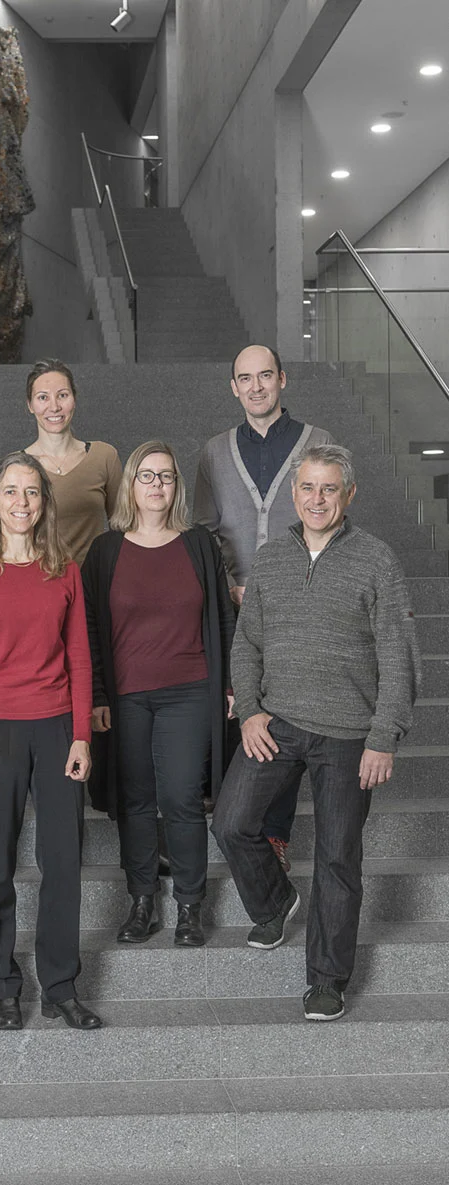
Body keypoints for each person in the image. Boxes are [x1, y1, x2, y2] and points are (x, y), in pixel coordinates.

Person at [212, 445, 420, 1022]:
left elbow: (398, 657)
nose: (317, 499)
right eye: (308, 487)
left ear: (348, 495)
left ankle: (326, 979)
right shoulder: (273, 557)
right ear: (295, 493)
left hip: (350, 736)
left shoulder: (376, 560)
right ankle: (276, 900)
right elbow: (248, 641)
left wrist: (384, 735)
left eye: (330, 489)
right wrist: (250, 710)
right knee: (230, 821)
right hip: (277, 722)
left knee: (337, 860)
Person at [0, 451, 101, 1032]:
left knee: (62, 863)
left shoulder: (63, 568)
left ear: (44, 502)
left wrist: (81, 735)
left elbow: (81, 660)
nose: (21, 503)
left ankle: (61, 986)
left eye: (31, 492)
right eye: (9, 491)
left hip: (56, 726)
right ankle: (4, 986)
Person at [82, 441, 235, 948]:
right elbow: (89, 632)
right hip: (125, 697)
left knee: (182, 799)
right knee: (136, 801)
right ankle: (142, 901)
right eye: (146, 476)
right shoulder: (105, 551)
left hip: (189, 691)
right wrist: (99, 695)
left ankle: (190, 906)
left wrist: (232, 684)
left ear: (177, 486)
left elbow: (224, 619)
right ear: (131, 484)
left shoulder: (198, 545)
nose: (157, 486)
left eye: (166, 477)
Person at [193, 344, 334, 867]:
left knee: (291, 712)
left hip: (301, 600)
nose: (256, 386)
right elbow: (205, 531)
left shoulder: (318, 442)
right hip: (235, 602)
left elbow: (331, 520)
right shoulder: (213, 451)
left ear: (283, 380)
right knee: (240, 705)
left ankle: (274, 831)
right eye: (245, 378)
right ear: (234, 387)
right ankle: (237, 817)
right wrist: (229, 584)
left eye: (265, 376)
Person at [23, 358, 122, 566]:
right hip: (40, 586)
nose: (54, 406)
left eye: (62, 395)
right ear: (30, 405)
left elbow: (123, 527)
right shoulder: (17, 466)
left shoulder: (104, 456)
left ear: (74, 399)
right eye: (43, 397)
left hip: (94, 586)